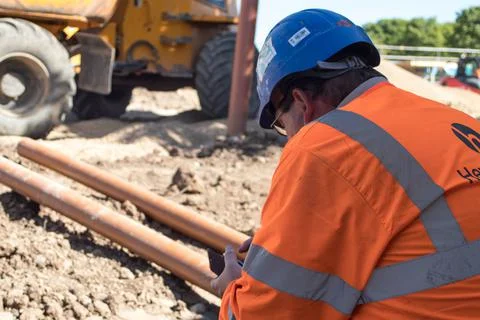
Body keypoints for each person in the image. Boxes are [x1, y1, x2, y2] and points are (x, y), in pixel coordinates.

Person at [211, 8, 480, 319]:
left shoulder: (323, 146)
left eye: (281, 124)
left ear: (300, 101)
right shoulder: (455, 120)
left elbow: (267, 313)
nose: (289, 137)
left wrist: (232, 290)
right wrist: (292, 244)